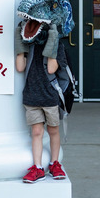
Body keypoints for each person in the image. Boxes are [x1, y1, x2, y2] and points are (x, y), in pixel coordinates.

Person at [15, 23, 68, 183]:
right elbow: (19, 67)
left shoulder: (57, 45)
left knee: (53, 131)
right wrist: (20, 45)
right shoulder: (29, 45)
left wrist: (53, 40)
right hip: (32, 96)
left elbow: (52, 69)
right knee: (37, 132)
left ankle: (54, 163)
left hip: (50, 96)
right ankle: (38, 168)